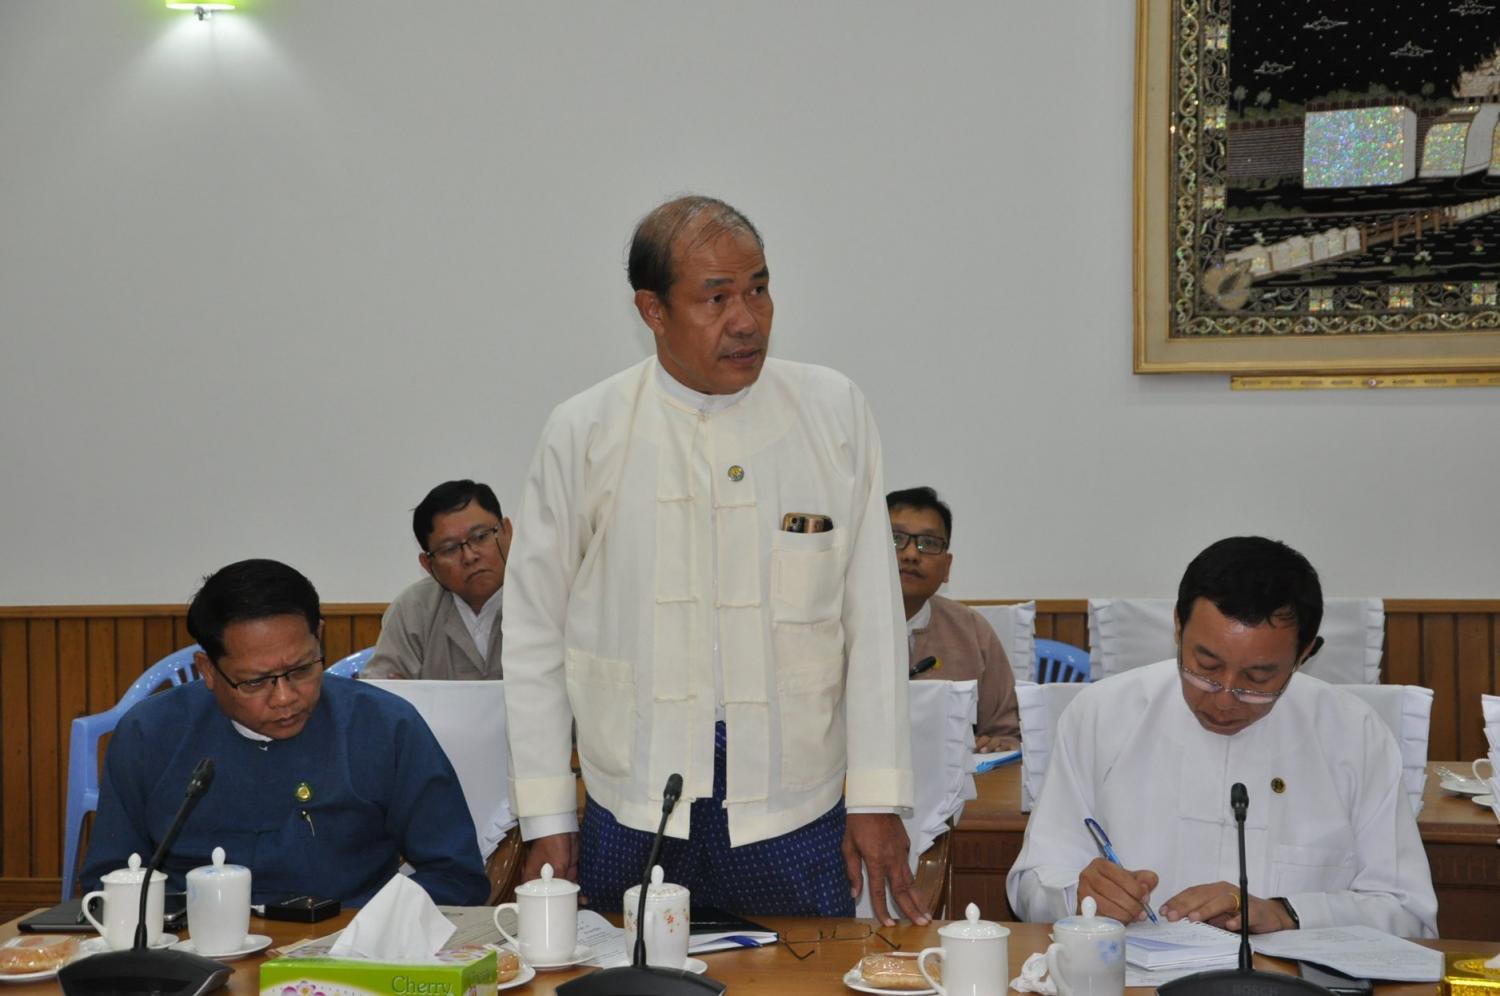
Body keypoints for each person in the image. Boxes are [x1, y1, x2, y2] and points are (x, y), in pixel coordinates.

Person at [502, 195, 922, 924]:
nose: (747, 320)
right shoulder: (585, 430)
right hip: (634, 800)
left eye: (758, 288)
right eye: (716, 297)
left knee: (806, 974)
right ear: (653, 311)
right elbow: (536, 630)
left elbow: (875, 621)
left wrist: (877, 797)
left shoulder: (833, 411)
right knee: (625, 973)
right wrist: (546, 813)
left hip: (794, 805)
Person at [1006, 536, 1437, 938]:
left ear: (1304, 654)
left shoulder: (1355, 735)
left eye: (1258, 678)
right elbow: (1031, 884)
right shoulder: (1102, 716)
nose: (1226, 699)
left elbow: (1409, 913)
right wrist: (1078, 896)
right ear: (1178, 628)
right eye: (1206, 667)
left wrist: (1287, 913)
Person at [82, 559, 490, 907]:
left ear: (319, 638)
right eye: (255, 682)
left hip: (348, 947)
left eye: (301, 670)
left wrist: (371, 929)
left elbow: (455, 876)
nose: (284, 698)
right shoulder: (150, 734)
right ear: (208, 671)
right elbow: (109, 881)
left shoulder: (385, 726)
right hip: (190, 949)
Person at [887, 486, 1020, 751]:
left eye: (928, 543)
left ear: (947, 567)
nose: (911, 554)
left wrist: (995, 746)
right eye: (895, 539)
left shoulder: (972, 631)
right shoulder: (833, 626)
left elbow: (1007, 735)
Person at [364, 479, 513, 680]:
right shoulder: (412, 610)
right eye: (450, 549)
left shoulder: (544, 596)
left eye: (480, 537)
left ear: (507, 532)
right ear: (428, 565)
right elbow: (379, 691)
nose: (469, 556)